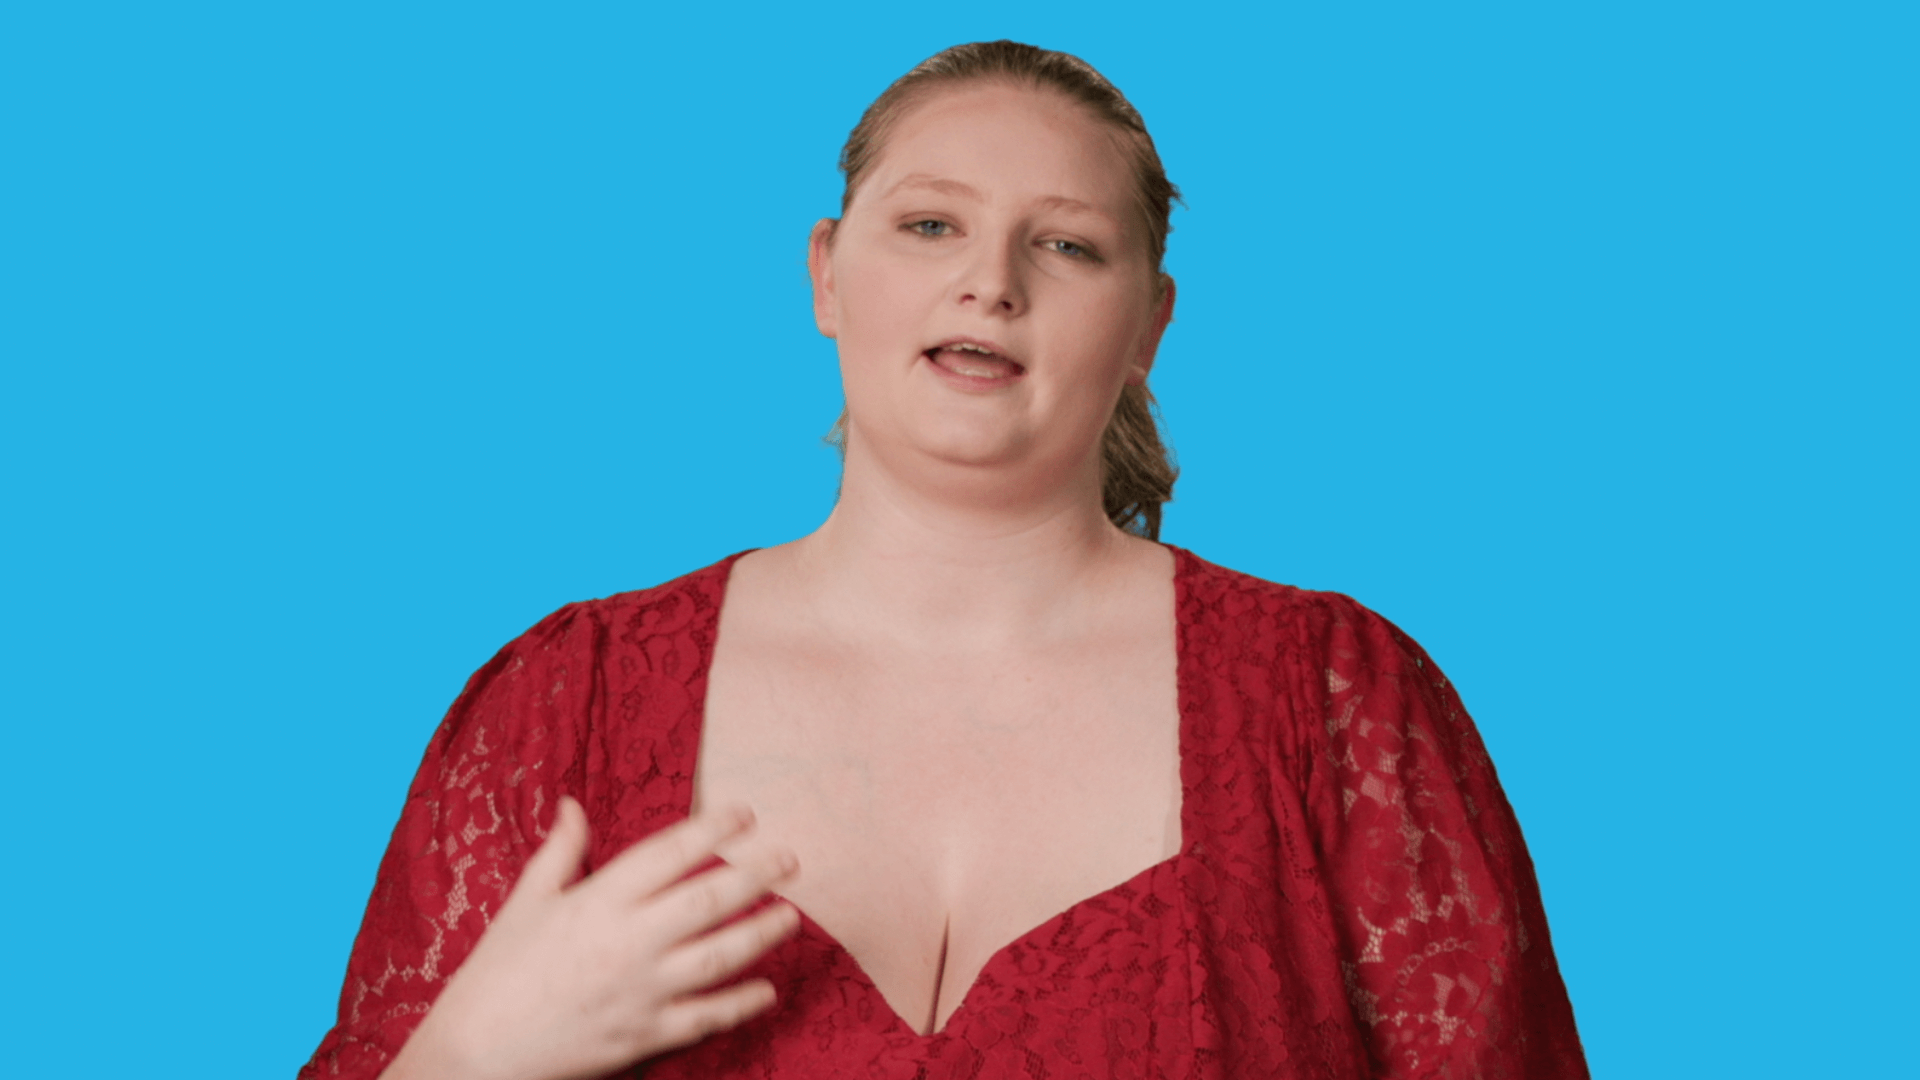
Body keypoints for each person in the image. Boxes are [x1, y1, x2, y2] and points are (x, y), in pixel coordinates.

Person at [301, 40, 1589, 1080]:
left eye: (1066, 244)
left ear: (1149, 326)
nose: (991, 283)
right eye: (929, 225)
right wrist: (469, 1061)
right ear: (825, 274)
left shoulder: (1337, 702)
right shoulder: (563, 702)